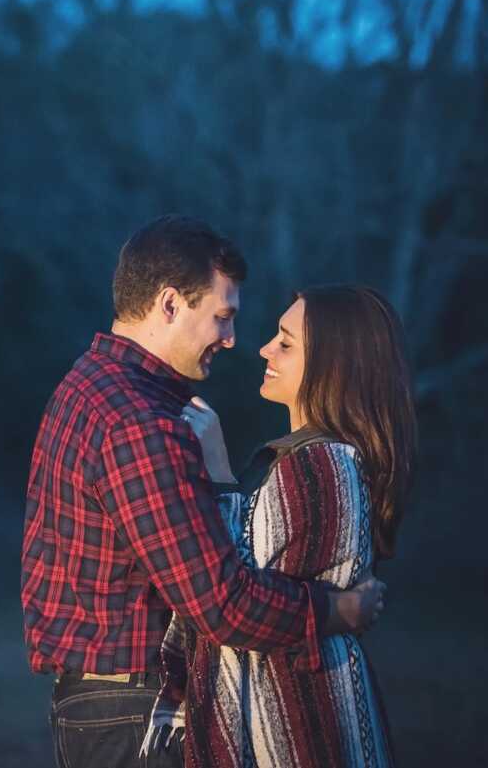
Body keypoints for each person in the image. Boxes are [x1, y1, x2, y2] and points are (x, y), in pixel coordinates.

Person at [21, 217, 387, 768]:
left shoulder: (91, 382)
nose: (233, 339)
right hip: (136, 711)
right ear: (170, 304)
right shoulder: (139, 422)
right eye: (223, 316)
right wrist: (337, 610)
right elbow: (221, 604)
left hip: (104, 703)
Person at [142, 284, 417, 768]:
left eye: (286, 342)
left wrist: (220, 474)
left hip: (302, 733)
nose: (265, 348)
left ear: (333, 365)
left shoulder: (324, 465)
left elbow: (233, 590)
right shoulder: (297, 458)